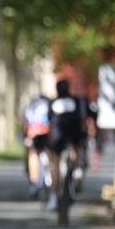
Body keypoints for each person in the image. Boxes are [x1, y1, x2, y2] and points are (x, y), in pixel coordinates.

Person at [46, 79, 87, 211]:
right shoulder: (75, 101)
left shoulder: (53, 103)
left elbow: (48, 121)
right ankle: (77, 170)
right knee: (76, 148)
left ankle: (53, 198)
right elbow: (82, 119)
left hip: (57, 137)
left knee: (55, 165)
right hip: (74, 134)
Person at [23, 93, 51, 198]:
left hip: (35, 134)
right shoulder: (48, 105)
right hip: (48, 134)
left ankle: (34, 183)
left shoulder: (31, 107)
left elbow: (26, 124)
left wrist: (26, 137)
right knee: (52, 156)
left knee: (33, 155)